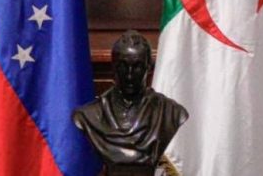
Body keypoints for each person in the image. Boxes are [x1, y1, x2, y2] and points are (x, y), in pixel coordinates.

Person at [72, 30, 188, 170]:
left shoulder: (171, 113)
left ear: (148, 68)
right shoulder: (88, 115)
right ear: (113, 67)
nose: (129, 75)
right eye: (123, 66)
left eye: (137, 66)